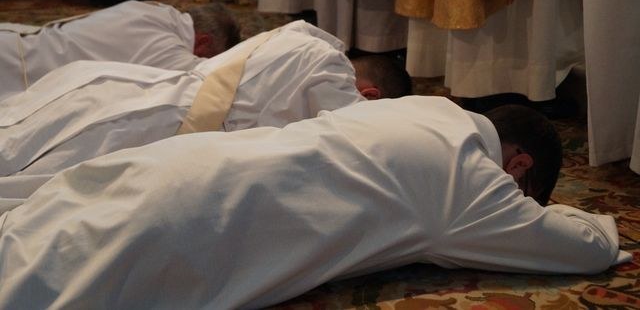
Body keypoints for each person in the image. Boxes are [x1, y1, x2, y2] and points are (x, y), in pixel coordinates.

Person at [0, 96, 630, 309]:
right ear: (518, 166)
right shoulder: (471, 185)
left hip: (188, 163)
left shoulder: (429, 108)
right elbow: (586, 249)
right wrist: (581, 216)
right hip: (200, 222)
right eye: (525, 195)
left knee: (38, 233)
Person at [0, 20, 411, 179]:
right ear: (369, 94)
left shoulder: (298, 36)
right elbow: (356, 139)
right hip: (161, 120)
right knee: (34, 162)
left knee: (29, 129)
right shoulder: (332, 74)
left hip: (132, 83)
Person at [0, 0, 240, 100]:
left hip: (17, 45)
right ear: (203, 43)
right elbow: (209, 79)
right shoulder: (166, 46)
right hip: (19, 71)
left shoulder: (157, 10)